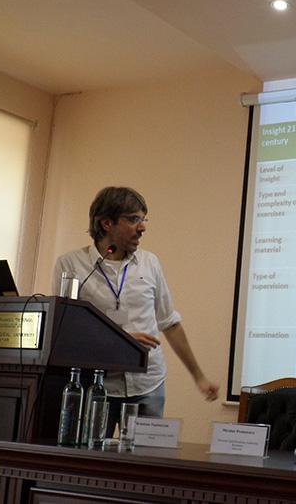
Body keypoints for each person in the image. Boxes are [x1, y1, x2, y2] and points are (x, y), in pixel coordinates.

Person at [53, 186, 218, 435]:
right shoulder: (71, 265)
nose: (142, 227)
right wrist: (122, 342)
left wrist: (199, 377)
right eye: (133, 219)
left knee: (144, 457)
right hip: (96, 384)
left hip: (148, 384)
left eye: (143, 219)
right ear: (106, 223)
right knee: (92, 456)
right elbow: (66, 330)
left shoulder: (150, 263)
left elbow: (170, 323)